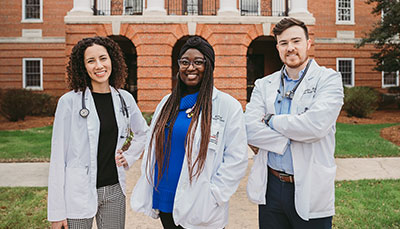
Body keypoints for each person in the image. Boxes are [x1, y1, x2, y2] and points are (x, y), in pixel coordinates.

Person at [130, 36, 248, 228]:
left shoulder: (227, 106)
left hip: (202, 202)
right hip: (165, 196)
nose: (190, 67)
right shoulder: (167, 103)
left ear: (209, 66)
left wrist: (215, 194)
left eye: (198, 62)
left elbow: (237, 157)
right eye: (185, 62)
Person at [245, 18, 344, 228]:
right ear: (278, 48)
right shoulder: (264, 85)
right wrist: (289, 138)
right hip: (271, 188)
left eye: (296, 41)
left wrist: (271, 120)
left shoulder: (328, 80)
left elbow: (315, 127)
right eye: (283, 43)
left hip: (310, 186)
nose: (290, 48)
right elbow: (250, 129)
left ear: (308, 43)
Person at [47, 36, 149, 229]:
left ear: (112, 60)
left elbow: (144, 132)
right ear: (82, 66)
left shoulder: (124, 98)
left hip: (113, 191)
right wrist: (57, 213)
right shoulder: (69, 102)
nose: (99, 66)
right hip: (78, 192)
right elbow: (58, 158)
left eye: (103, 58)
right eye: (91, 61)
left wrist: (128, 156)